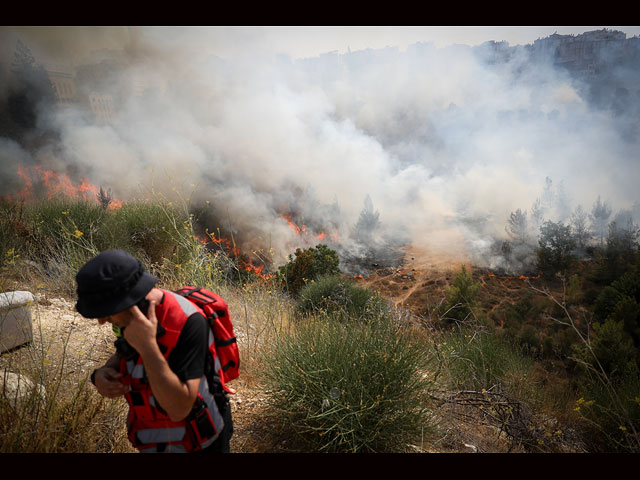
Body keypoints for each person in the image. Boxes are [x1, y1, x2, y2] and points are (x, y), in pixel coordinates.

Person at [75, 249, 233, 453]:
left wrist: (148, 347)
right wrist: (100, 374)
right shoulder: (131, 317)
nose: (101, 321)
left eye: (106, 312)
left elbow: (179, 409)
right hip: (156, 443)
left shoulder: (190, 322)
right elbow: (124, 353)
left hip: (202, 445)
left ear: (130, 300)